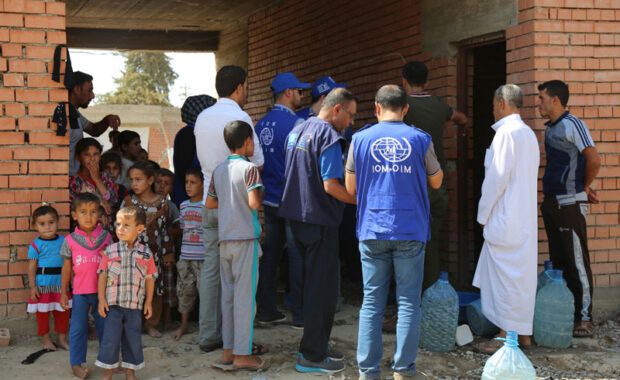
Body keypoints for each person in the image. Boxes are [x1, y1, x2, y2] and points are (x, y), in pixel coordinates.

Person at [345, 85, 442, 380]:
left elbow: (350, 188)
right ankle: (403, 370)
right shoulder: (420, 139)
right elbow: (436, 182)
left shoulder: (359, 140)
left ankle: (368, 372)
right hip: (410, 229)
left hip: (373, 228)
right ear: (406, 109)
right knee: (409, 302)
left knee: (372, 302)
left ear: (376, 107)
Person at [279, 88, 357, 374]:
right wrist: (361, 200)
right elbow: (331, 185)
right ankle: (312, 355)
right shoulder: (329, 136)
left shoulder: (300, 129)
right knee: (321, 291)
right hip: (319, 221)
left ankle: (315, 347)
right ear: (336, 109)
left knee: (309, 285)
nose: (350, 122)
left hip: (296, 218)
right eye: (350, 115)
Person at [194, 65, 264, 352]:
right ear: (238, 87)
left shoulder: (202, 117)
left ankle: (210, 335)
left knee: (213, 272)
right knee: (242, 284)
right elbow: (256, 161)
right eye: (246, 86)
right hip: (236, 207)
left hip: (209, 201)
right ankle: (239, 345)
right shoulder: (240, 116)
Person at [473, 84, 540, 353]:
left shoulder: (506, 135)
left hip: (504, 217)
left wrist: (482, 214)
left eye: (492, 105)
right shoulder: (527, 134)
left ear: (501, 103)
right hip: (523, 219)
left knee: (504, 280)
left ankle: (505, 336)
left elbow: (495, 181)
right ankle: (523, 334)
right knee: (520, 278)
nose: (492, 110)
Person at [537, 80, 600, 338]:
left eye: (541, 98)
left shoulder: (573, 124)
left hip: (569, 203)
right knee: (559, 261)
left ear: (555, 100)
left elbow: (593, 158)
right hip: (552, 202)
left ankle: (584, 318)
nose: (538, 103)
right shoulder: (550, 129)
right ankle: (565, 314)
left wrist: (583, 187)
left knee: (576, 262)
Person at [401, 61, 468, 290]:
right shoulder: (439, 106)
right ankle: (429, 301)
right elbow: (461, 118)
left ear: (404, 81)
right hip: (436, 184)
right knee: (431, 242)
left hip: (410, 186)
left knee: (406, 246)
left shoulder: (403, 107)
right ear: (427, 82)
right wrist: (461, 133)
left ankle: (408, 308)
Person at [206, 120, 267, 371]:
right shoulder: (250, 168)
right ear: (245, 142)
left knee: (229, 298)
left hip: (225, 239)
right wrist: (259, 195)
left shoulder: (218, 170)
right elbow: (254, 203)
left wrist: (229, 205)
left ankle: (229, 351)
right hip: (245, 240)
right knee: (245, 299)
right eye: (252, 140)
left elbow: (210, 204)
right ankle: (243, 354)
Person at [254, 72, 309, 327]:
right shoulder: (297, 124)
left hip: (268, 198)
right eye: (299, 91)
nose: (302, 95)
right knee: (297, 254)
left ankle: (265, 309)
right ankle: (299, 313)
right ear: (288, 93)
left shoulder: (260, 125)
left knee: (271, 253)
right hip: (291, 200)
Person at [96, 206, 157, 380]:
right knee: (110, 340)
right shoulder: (110, 250)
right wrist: (101, 299)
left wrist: (148, 302)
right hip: (113, 305)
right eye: (118, 224)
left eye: (126, 225)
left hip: (134, 306)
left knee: (132, 339)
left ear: (139, 229)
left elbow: (149, 279)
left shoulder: (146, 254)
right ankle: (107, 373)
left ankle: (130, 373)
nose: (120, 229)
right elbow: (102, 275)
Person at [60, 193, 113, 379]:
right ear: (74, 215)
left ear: (99, 214)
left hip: (102, 294)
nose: (88, 216)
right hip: (80, 293)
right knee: (77, 329)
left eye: (93, 212)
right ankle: (76, 364)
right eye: (83, 212)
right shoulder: (70, 240)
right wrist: (63, 292)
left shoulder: (106, 238)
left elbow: (113, 264)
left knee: (106, 328)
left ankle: (108, 362)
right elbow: (67, 268)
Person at [122, 161, 174, 338]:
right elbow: (121, 227)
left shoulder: (162, 203)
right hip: (132, 255)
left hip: (155, 256)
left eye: (138, 179)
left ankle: (151, 323)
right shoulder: (129, 202)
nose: (134, 184)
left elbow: (166, 230)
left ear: (151, 180)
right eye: (131, 180)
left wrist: (168, 253)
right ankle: (134, 324)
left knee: (154, 289)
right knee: (134, 288)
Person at [27, 205, 70, 351]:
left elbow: (68, 263)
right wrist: (33, 287)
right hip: (43, 284)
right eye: (42, 224)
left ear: (58, 222)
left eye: (51, 222)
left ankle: (62, 339)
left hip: (60, 284)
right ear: (35, 226)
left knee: (63, 313)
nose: (47, 227)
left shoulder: (64, 241)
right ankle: (45, 340)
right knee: (43, 314)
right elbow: (32, 267)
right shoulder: (35, 245)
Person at [68, 71, 121, 176]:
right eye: (89, 90)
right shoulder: (62, 114)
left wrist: (106, 120)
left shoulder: (74, 113)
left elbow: (94, 130)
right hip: (63, 180)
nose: (92, 96)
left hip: (73, 178)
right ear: (77, 89)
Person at [173, 168, 206, 340]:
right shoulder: (183, 205)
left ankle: (206, 328)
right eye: (186, 182)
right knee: (185, 292)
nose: (188, 186)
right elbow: (182, 229)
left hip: (203, 257)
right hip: (185, 257)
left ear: (203, 184)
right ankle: (184, 325)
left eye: (193, 182)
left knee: (205, 294)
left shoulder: (208, 206)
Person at [172, 95, 217, 207]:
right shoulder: (190, 134)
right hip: (192, 194)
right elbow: (184, 167)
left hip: (189, 191)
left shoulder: (186, 133)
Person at [69, 138, 118, 233]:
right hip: (84, 233)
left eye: (95, 154)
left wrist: (97, 179)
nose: (92, 159)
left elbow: (112, 200)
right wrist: (101, 205)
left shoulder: (106, 177)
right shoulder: (74, 182)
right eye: (87, 155)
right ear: (78, 157)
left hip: (107, 232)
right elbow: (74, 208)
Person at [155, 168, 181, 330]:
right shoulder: (148, 203)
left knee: (167, 285)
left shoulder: (171, 206)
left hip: (166, 252)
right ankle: (153, 320)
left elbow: (180, 228)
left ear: (171, 188)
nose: (161, 187)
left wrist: (166, 231)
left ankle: (167, 318)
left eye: (166, 184)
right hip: (150, 253)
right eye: (158, 182)